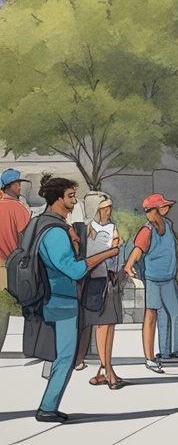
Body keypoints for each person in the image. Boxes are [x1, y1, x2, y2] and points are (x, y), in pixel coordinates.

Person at [31, 176, 119, 422]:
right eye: (70, 196)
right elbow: (75, 270)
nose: (73, 201)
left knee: (59, 354)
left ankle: (48, 405)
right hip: (61, 300)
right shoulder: (55, 233)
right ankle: (47, 407)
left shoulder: (41, 223)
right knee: (66, 355)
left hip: (48, 296)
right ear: (57, 199)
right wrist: (106, 253)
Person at [122, 193, 178, 373]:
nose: (167, 208)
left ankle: (176, 352)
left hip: (169, 278)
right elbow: (138, 250)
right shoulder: (146, 230)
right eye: (162, 206)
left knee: (176, 314)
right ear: (153, 210)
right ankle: (163, 354)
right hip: (153, 279)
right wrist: (129, 265)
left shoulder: (168, 225)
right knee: (156, 316)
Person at [80, 194, 125, 390]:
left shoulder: (112, 227)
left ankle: (105, 368)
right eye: (105, 207)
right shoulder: (90, 229)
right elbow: (92, 257)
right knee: (102, 325)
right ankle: (108, 370)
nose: (108, 210)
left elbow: (117, 252)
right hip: (97, 280)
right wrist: (112, 250)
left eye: (109, 207)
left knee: (110, 325)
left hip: (111, 279)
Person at [0, 167, 33, 354]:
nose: (20, 187)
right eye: (17, 184)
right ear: (10, 186)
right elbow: (28, 236)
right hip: (9, 265)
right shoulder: (17, 208)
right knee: (3, 310)